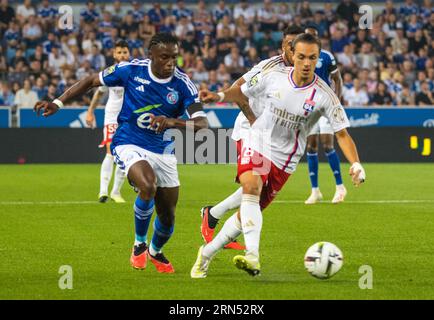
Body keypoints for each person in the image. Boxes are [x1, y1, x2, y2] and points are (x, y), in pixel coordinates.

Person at [191, 33, 366, 278]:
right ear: (293, 55)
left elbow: (342, 135)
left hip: (286, 159)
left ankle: (206, 253)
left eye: (312, 58)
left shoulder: (325, 95)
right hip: (258, 139)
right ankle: (253, 255)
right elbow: (240, 91)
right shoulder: (272, 76)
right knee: (251, 187)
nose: (306, 63)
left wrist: (356, 163)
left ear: (318, 60)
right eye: (302, 56)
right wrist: (218, 97)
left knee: (245, 216)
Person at [34, 33, 208, 274]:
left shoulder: (184, 84)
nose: (170, 62)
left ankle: (155, 251)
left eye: (174, 57)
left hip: (164, 150)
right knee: (148, 186)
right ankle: (139, 244)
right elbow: (89, 80)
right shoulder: (130, 70)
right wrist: (58, 102)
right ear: (151, 57)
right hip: (129, 140)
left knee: (167, 218)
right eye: (165, 57)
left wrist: (171, 121)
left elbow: (202, 124)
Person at [199, 25, 304, 251]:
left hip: (272, 134)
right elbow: (238, 88)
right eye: (290, 45)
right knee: (254, 184)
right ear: (283, 47)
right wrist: (253, 120)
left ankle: (213, 214)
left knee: (259, 186)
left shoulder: (302, 71)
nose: (295, 49)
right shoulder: (267, 68)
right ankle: (250, 249)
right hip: (250, 129)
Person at [304, 26, 346, 205]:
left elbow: (337, 79)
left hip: (326, 105)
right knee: (311, 147)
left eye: (312, 37)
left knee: (327, 144)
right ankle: (315, 191)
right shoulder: (301, 58)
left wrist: (336, 100)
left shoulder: (327, 56)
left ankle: (340, 187)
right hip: (308, 106)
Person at [85, 40, 130, 203]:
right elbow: (98, 94)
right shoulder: (110, 73)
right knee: (111, 152)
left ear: (129, 53)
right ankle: (103, 191)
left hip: (129, 118)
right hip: (112, 116)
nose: (122, 55)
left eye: (125, 52)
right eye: (119, 52)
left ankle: (116, 192)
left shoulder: (135, 71)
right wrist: (90, 112)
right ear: (114, 54)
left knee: (125, 154)